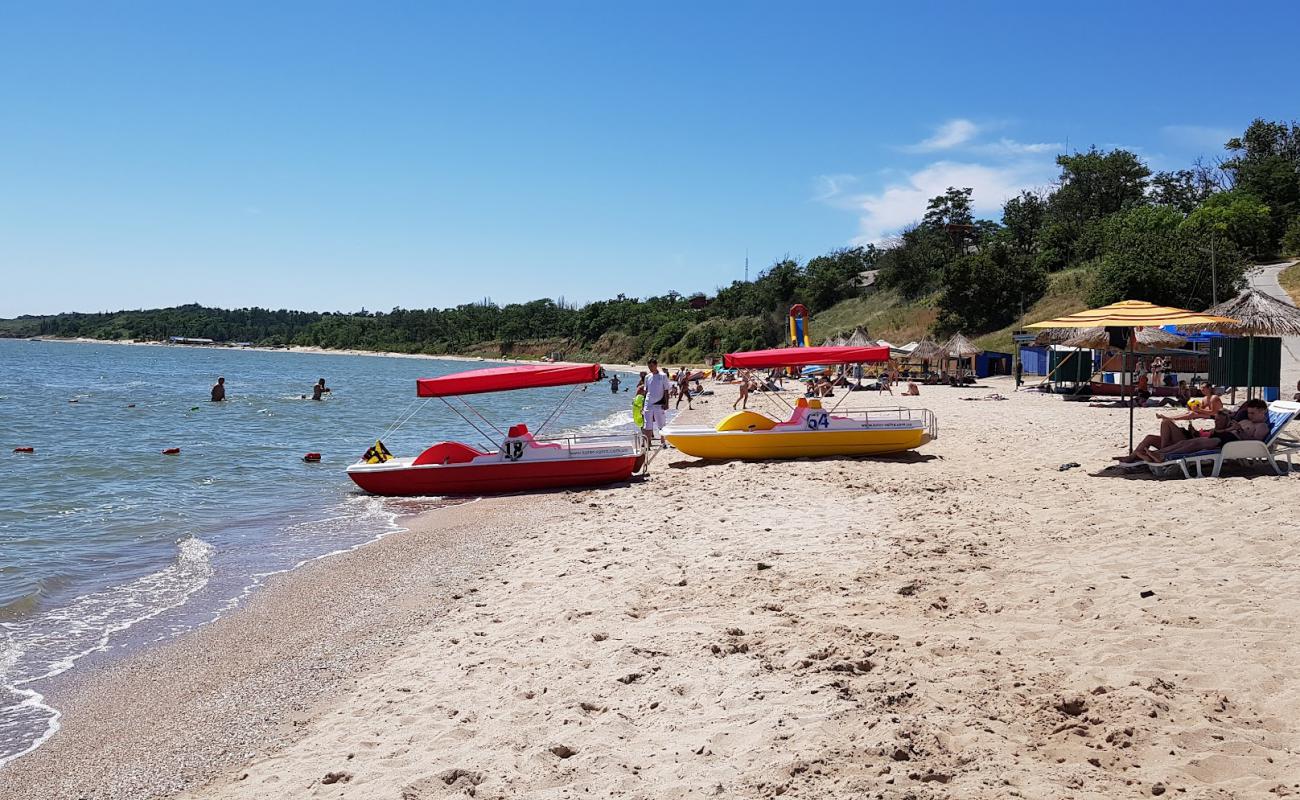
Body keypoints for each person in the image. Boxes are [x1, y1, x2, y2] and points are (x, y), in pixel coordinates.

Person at [1135, 399, 1271, 464]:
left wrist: (1240, 430)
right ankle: (1158, 454)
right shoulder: (1248, 421)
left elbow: (1256, 443)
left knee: (1194, 444)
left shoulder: (1261, 427)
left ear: (1263, 411)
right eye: (1249, 413)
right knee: (1185, 442)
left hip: (1230, 442)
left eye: (1253, 413)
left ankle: (1163, 456)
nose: (1250, 416)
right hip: (1225, 437)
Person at [1157, 382, 1222, 421]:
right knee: (1190, 412)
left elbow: (1214, 412)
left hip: (1216, 416)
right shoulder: (1204, 398)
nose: (1202, 389)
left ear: (1209, 388)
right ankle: (1169, 418)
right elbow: (1202, 409)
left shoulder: (1214, 398)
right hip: (1208, 414)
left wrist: (1199, 410)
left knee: (1192, 414)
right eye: (1201, 388)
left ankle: (1171, 419)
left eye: (1203, 388)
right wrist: (1194, 408)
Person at [642, 359, 669, 447]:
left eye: (652, 366)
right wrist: (643, 405)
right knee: (647, 424)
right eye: (649, 366)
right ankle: (648, 443)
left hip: (659, 403)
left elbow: (666, 390)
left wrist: (666, 403)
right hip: (648, 403)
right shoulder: (647, 377)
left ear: (656, 365)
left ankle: (663, 442)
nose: (650, 368)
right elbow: (646, 392)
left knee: (661, 423)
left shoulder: (663, 376)